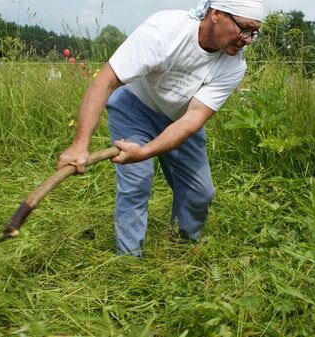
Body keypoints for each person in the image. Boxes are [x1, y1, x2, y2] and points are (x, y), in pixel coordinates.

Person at [57, 0, 264, 257]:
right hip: (134, 109)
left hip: (179, 119)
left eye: (254, 32)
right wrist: (80, 145)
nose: (248, 40)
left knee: (200, 192)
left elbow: (192, 120)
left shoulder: (234, 66)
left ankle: (181, 248)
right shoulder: (165, 30)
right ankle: (129, 262)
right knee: (137, 182)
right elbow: (106, 81)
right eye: (244, 29)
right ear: (217, 14)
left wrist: (144, 152)